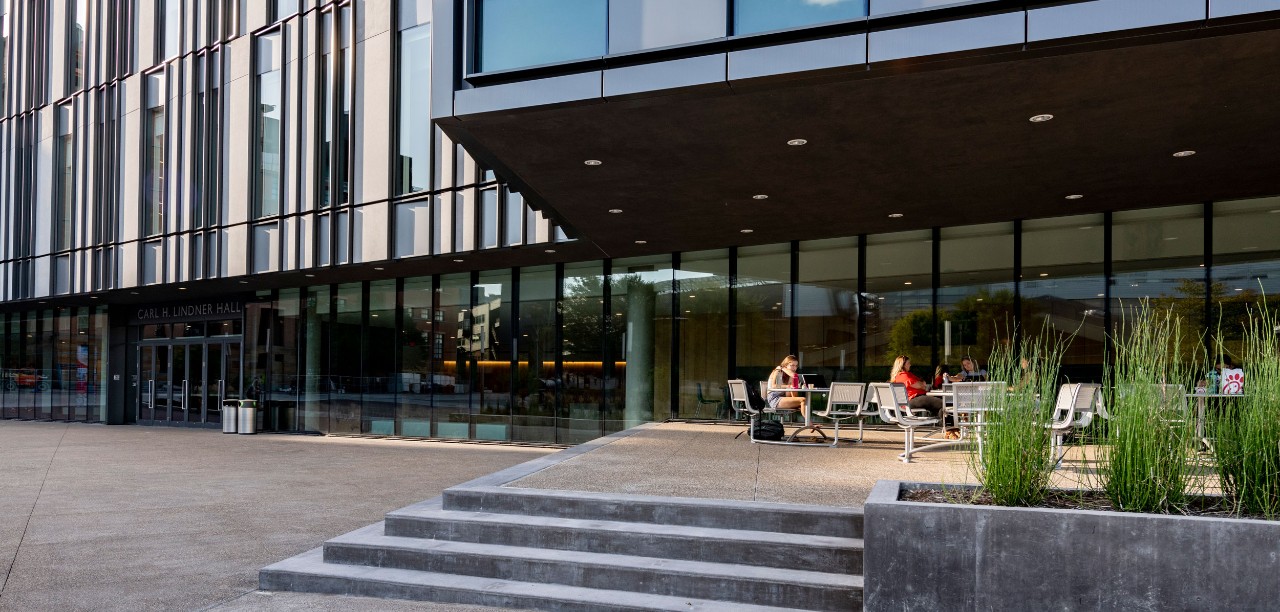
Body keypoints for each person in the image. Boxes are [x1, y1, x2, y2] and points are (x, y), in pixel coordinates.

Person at [766, 355, 808, 421]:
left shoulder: (790, 376)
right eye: (792, 365)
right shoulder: (778, 371)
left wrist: (796, 387)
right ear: (786, 365)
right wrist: (782, 368)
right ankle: (810, 424)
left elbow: (792, 394)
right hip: (774, 398)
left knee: (805, 402)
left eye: (796, 366)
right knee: (803, 400)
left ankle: (810, 423)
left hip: (783, 398)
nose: (794, 368)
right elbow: (773, 386)